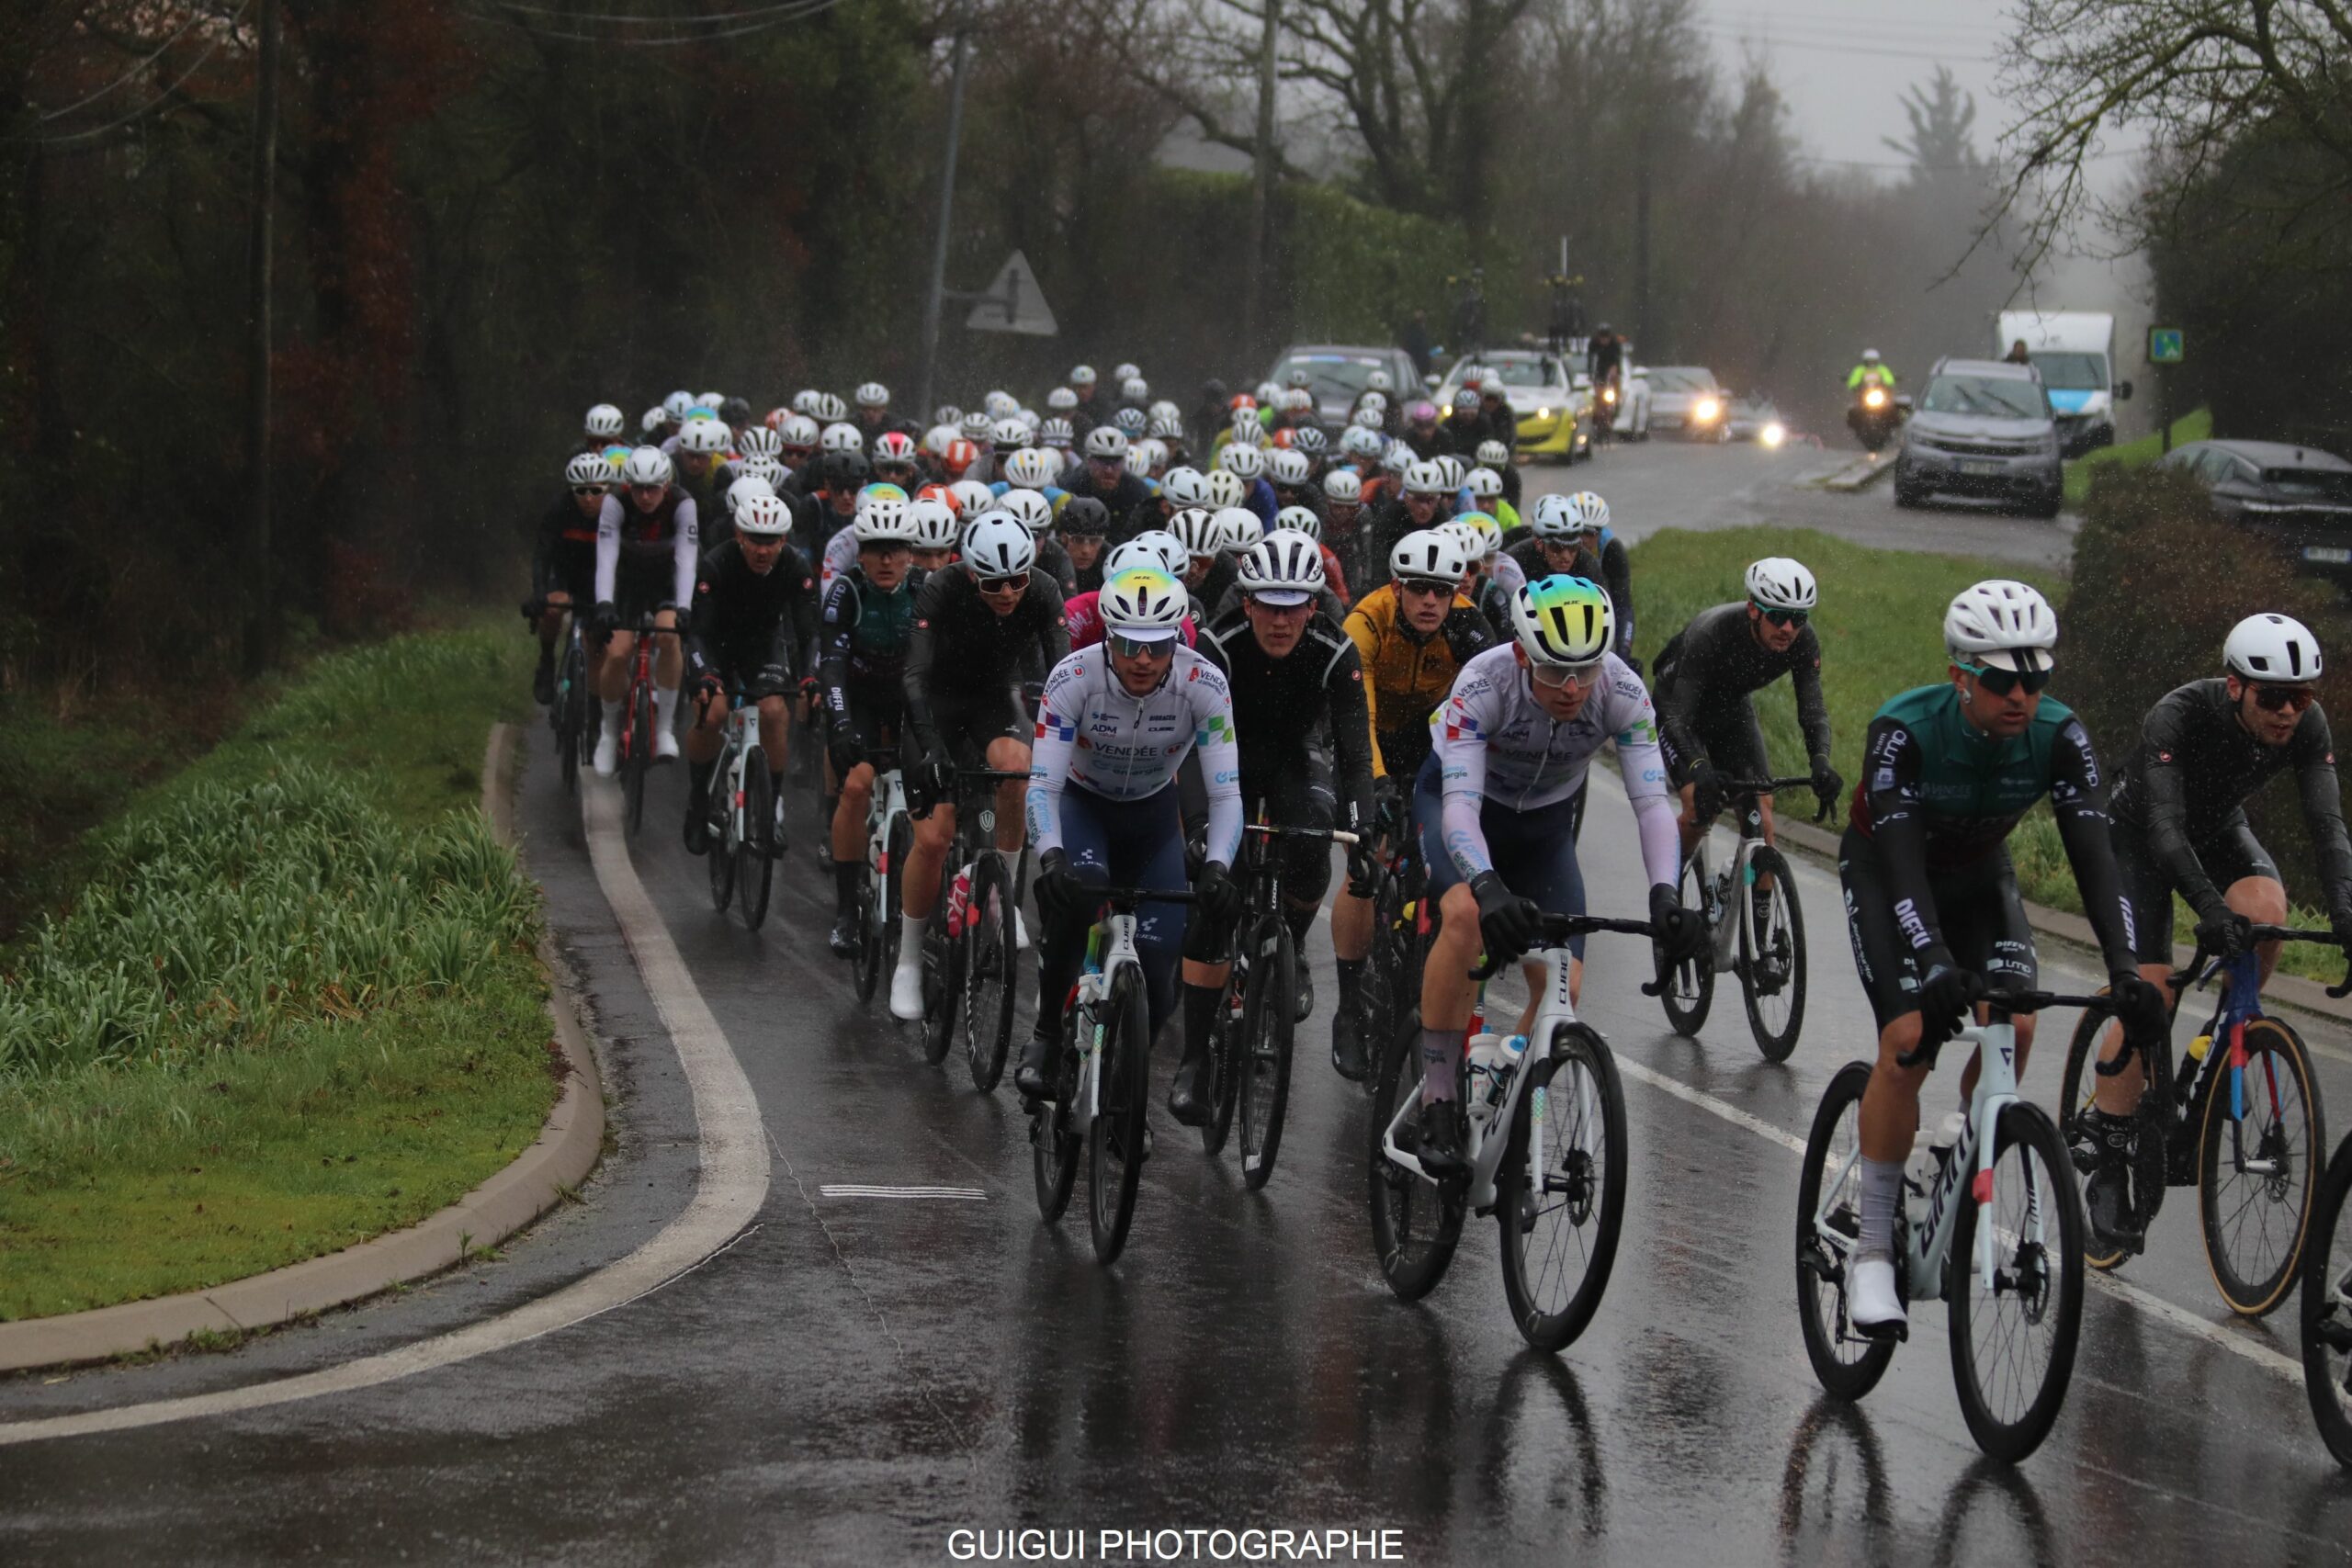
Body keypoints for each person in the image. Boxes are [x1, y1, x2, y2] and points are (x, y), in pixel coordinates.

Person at [1837, 581, 2163, 1337]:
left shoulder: (2060, 735)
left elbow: (2097, 860)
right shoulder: (1904, 732)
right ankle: (1875, 1251)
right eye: (2002, 680)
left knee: (2012, 1025)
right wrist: (1935, 959)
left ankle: (1959, 1137)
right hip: (1892, 873)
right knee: (1908, 1042)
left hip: (1982, 874)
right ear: (1960, 675)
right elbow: (1904, 865)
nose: (2023, 694)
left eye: (2036, 677)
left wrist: (2126, 970)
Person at [1408, 576, 1702, 1173]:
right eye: (1554, 671)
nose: (1572, 688)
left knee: (1562, 986)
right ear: (1522, 653)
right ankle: (1438, 1097)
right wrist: (1487, 885)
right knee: (1464, 917)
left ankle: (1506, 1085)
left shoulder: (1621, 689)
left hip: (1544, 831)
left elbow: (1652, 805)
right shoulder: (1482, 683)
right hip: (1461, 808)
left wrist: (1665, 894)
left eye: (1586, 669)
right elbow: (1461, 806)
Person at [2082, 613, 2352, 1248]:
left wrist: (2345, 911)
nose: (2289, 711)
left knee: (2268, 915)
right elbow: (2168, 832)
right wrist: (2208, 908)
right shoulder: (2176, 715)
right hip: (2139, 834)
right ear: (2235, 687)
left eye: (2302, 695)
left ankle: (2218, 1042)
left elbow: (2329, 827)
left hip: (2214, 827)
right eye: (2274, 697)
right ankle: (2111, 1143)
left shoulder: (2306, 726)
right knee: (2153, 990)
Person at [1020, 565, 1245, 1103]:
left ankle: (1126, 1087)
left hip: (1152, 817)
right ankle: (1047, 1034)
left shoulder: (1205, 683)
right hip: (1083, 805)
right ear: (1106, 637)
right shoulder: (1072, 678)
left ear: (1176, 639)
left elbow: (1225, 795)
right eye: (1127, 644)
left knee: (1163, 956)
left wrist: (1217, 867)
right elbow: (1042, 786)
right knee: (1078, 896)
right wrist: (1050, 858)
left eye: (1158, 645)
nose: (1143, 660)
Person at [1185, 533, 1377, 1108]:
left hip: (1296, 755)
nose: (1280, 619)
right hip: (1229, 756)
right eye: (1269, 604)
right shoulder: (1219, 644)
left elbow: (1355, 754)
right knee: (1224, 876)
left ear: (1313, 607)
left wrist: (1361, 828)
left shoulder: (1335, 649)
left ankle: (1289, 942)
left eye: (1294, 606)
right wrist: (1199, 824)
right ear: (1247, 603)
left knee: (1313, 836)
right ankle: (1201, 1040)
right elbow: (1194, 742)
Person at [1327, 528, 1497, 1074]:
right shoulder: (1366, 622)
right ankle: (1350, 1007)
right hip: (1370, 735)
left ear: (1456, 592)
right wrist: (1374, 784)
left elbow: (1489, 705)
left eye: (1442, 591)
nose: (1430, 601)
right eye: (1419, 589)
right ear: (1397, 588)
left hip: (1433, 742)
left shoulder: (1469, 625)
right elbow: (1360, 719)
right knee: (1366, 854)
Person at [893, 515, 1069, 1019]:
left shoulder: (1043, 590)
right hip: (935, 704)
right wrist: (930, 749)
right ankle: (907, 960)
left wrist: (1066, 743)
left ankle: (1004, 896)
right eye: (995, 583)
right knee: (933, 838)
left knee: (1018, 767)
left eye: (1019, 579)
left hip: (993, 700)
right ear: (971, 574)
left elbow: (1063, 675)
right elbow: (914, 676)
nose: (1010, 592)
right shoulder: (941, 588)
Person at [1650, 558, 1840, 864]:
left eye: (1798, 617)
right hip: (1678, 707)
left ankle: (1757, 906)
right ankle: (1668, 886)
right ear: (1754, 609)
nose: (1788, 628)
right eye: (1778, 616)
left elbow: (1812, 707)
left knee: (1762, 817)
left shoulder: (1803, 640)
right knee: (1701, 809)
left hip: (1731, 707)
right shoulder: (1711, 633)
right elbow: (1677, 718)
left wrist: (1821, 761)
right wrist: (1700, 768)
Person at [680, 492, 819, 854]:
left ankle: (770, 809)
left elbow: (809, 634)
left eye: (770, 542)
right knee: (713, 713)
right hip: (717, 644)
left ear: (783, 540)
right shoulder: (717, 562)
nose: (762, 550)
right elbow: (697, 632)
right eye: (755, 540)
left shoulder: (795, 566)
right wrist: (704, 676)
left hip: (763, 646)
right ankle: (697, 799)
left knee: (774, 712)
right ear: (740, 535)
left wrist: (808, 677)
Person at [820, 499, 925, 954]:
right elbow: (832, 667)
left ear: (910, 554)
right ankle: (846, 911)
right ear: (860, 554)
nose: (886, 560)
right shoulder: (846, 592)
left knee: (929, 793)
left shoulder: (925, 590)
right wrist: (841, 725)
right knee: (857, 785)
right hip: (860, 700)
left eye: (896, 549)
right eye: (876, 550)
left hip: (909, 702)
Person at [589, 446, 700, 774]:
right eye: (638, 488)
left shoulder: (683, 504)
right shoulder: (615, 503)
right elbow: (606, 556)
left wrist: (684, 606)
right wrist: (605, 603)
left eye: (652, 488)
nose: (646, 496)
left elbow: (686, 558)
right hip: (628, 584)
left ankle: (664, 728)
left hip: (664, 583)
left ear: (666, 485)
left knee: (668, 637)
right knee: (619, 653)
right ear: (629, 486)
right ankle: (608, 733)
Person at [527, 453, 616, 704]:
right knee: (552, 607)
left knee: (597, 638)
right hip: (565, 574)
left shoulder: (616, 512)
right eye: (581, 491)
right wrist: (539, 593)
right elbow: (542, 555)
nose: (588, 499)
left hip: (599, 580)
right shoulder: (559, 509)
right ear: (571, 490)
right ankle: (546, 660)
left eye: (596, 491)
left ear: (607, 489)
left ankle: (594, 703)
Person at [1057, 495, 1112, 594]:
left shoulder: (1111, 558)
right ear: (1063, 538)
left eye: (1095, 541)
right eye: (1078, 540)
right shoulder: (1050, 557)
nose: (1086, 550)